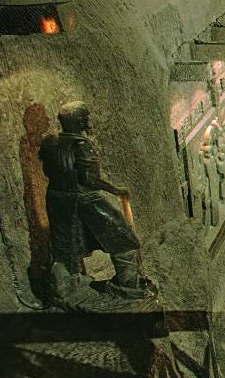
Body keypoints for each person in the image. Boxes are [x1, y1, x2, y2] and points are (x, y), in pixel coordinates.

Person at [38, 101, 156, 308]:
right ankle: (129, 289)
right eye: (84, 117)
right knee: (124, 240)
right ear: (77, 122)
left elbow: (51, 172)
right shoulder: (82, 146)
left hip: (58, 200)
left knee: (66, 248)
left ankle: (64, 289)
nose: (88, 121)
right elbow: (89, 180)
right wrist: (116, 190)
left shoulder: (52, 144)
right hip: (85, 201)